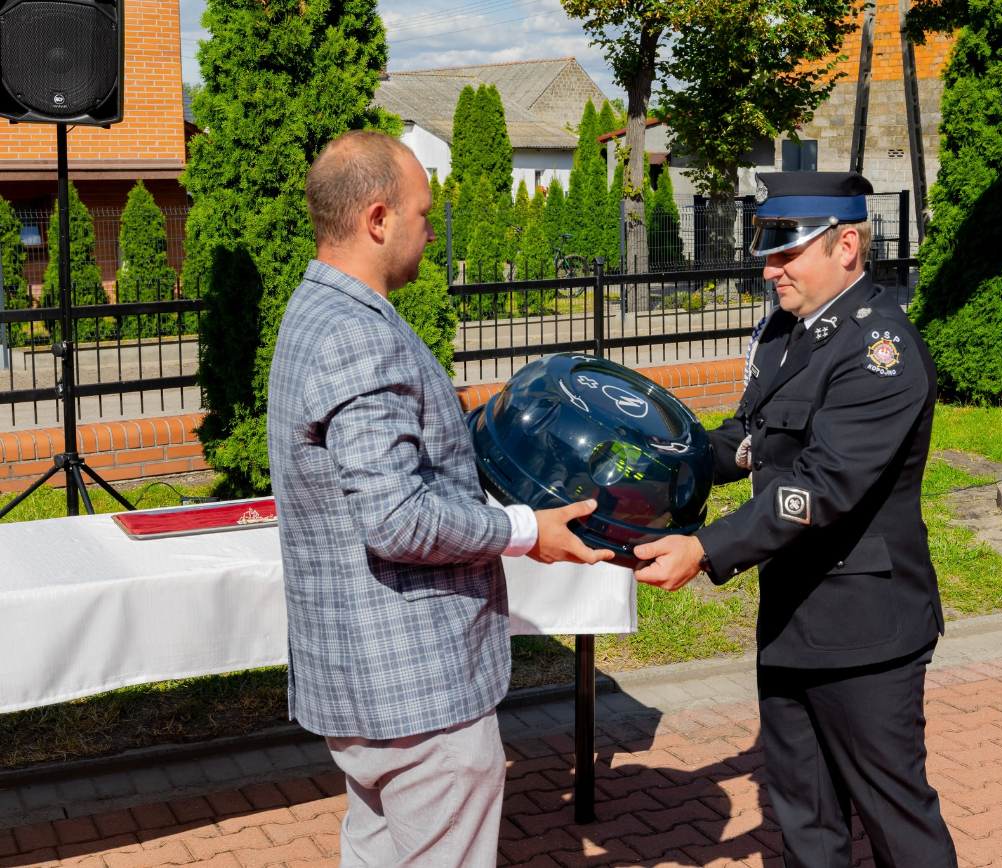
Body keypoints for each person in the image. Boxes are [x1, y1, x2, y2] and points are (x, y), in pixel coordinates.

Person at [267, 130, 612, 867]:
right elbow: (396, 516)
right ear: (378, 218)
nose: (432, 225)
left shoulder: (312, 311)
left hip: (363, 686)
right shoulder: (359, 336)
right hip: (415, 692)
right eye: (424, 212)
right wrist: (524, 529)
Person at [634, 172, 957, 868]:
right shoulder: (787, 332)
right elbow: (748, 438)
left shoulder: (882, 352)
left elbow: (819, 489)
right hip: (791, 613)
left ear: (846, 246)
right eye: (768, 249)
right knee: (804, 818)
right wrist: (660, 459)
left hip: (864, 628)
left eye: (787, 252)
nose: (768, 266)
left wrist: (705, 548)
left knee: (896, 820)